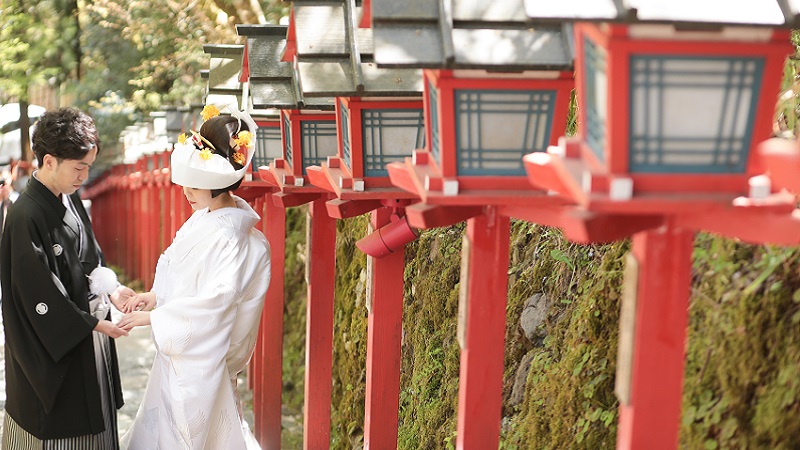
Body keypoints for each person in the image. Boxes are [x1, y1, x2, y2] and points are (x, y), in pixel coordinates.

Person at [118, 104, 271, 449]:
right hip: (179, 354)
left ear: (217, 186)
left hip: (201, 360)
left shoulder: (236, 239)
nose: (185, 193)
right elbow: (178, 269)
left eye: (193, 188)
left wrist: (155, 319)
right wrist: (155, 298)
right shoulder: (205, 218)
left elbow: (215, 305)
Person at [1, 107, 136, 449]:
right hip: (57, 347)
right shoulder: (24, 216)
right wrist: (92, 324)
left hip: (88, 334)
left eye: (88, 166)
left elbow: (91, 259)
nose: (84, 176)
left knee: (96, 421)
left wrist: (114, 289)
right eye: (79, 167)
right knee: (60, 428)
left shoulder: (69, 199)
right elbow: (37, 295)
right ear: (49, 161)